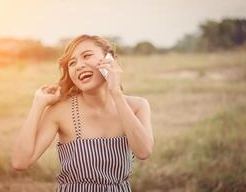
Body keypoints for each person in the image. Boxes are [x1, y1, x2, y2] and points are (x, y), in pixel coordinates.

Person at [11, 34, 154, 191]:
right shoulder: (59, 112)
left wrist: (116, 93)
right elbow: (20, 162)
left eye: (87, 55)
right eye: (72, 63)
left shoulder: (138, 106)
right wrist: (38, 104)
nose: (79, 66)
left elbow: (143, 151)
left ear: (109, 59)